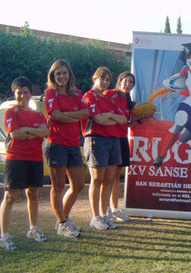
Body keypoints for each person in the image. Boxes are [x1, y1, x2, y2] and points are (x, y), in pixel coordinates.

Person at [0, 77, 50, 250]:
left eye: (25, 92)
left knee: (33, 195)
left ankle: (33, 229)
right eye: (19, 93)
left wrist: (27, 130)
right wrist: (33, 133)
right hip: (16, 158)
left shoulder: (38, 114)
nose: (22, 96)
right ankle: (4, 236)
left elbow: (46, 131)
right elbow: (15, 135)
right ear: (14, 94)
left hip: (35, 158)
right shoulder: (11, 112)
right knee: (10, 196)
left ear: (30, 93)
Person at [44, 60, 89, 238]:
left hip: (72, 144)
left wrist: (66, 115)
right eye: (58, 74)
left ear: (69, 74)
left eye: (64, 73)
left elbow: (85, 113)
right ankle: (62, 223)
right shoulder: (50, 93)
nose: (61, 77)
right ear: (53, 77)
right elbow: (55, 115)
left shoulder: (76, 93)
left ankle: (63, 218)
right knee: (59, 186)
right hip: (56, 143)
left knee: (78, 185)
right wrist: (72, 115)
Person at [82, 67, 128, 230]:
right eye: (102, 79)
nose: (105, 82)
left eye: (108, 80)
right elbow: (99, 119)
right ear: (95, 78)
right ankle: (95, 217)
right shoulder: (89, 96)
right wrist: (112, 117)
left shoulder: (108, 99)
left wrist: (110, 116)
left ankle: (104, 214)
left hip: (113, 140)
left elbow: (122, 118)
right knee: (97, 179)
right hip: (96, 140)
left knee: (108, 180)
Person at [104, 72, 136, 222]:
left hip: (122, 138)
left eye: (130, 83)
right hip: (109, 138)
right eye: (125, 81)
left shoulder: (128, 101)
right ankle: (105, 210)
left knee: (117, 176)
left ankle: (114, 208)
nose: (127, 84)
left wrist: (140, 121)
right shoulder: (108, 94)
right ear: (119, 81)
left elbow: (126, 123)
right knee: (107, 177)